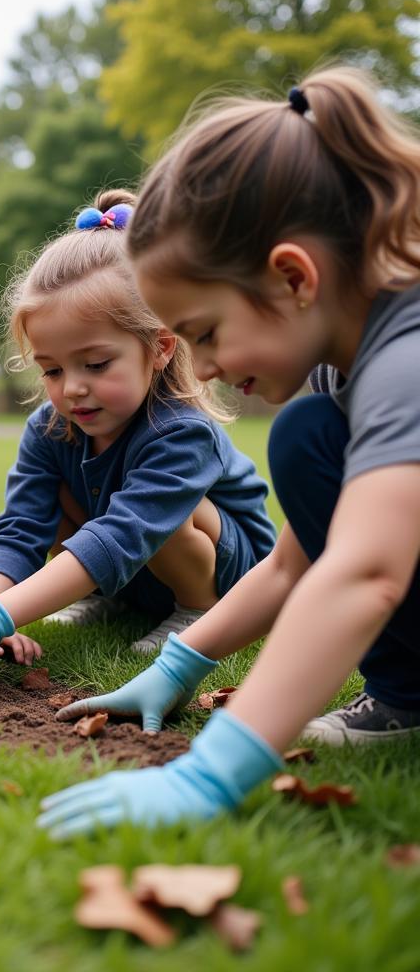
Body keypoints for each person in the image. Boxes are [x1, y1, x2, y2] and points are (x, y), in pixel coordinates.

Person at [37, 67, 420, 838]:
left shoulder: (406, 360)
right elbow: (297, 561)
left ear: (292, 277)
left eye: (206, 332)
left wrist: (213, 772)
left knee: (304, 432)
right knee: (310, 433)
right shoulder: (338, 367)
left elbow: (367, 572)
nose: (202, 367)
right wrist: (177, 666)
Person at [0, 191, 275, 696]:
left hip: (228, 577)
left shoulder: (182, 431)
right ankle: (110, 597)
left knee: (176, 514)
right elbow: (22, 526)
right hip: (131, 567)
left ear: (160, 348)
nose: (72, 387)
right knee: (53, 498)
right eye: (52, 369)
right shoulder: (49, 428)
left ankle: (196, 609)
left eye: (95, 365)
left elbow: (123, 534)